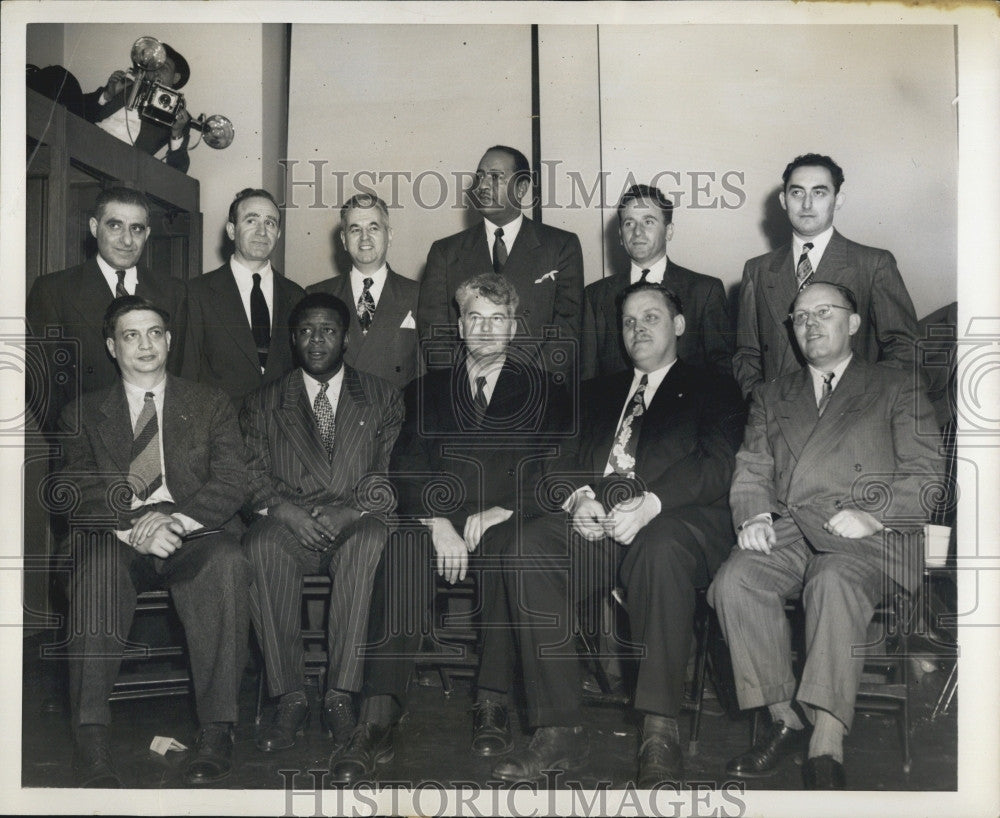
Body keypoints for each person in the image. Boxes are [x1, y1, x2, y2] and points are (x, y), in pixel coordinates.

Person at [476, 281, 745, 787]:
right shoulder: (596, 391)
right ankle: (558, 728)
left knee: (661, 550)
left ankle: (658, 728)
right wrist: (577, 498)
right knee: (525, 546)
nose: (637, 329)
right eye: (628, 321)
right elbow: (551, 463)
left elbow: (719, 464)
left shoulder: (715, 386)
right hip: (597, 525)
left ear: (679, 325)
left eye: (651, 317)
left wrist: (652, 503)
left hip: (672, 523)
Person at [329, 273, 570, 784]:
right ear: (459, 326)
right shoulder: (425, 390)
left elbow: (555, 469)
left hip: (506, 519)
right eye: (475, 318)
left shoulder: (546, 390)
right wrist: (436, 521)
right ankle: (378, 715)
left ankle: (492, 700)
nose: (485, 330)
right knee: (403, 547)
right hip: (438, 519)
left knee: (510, 548)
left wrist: (508, 510)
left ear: (513, 328)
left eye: (497, 319)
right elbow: (406, 465)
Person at [709, 281, 944, 789]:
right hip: (793, 530)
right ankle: (784, 717)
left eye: (824, 312)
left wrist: (873, 514)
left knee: (833, 581)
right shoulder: (771, 395)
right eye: (799, 317)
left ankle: (827, 741)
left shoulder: (895, 384)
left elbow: (927, 474)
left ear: (854, 323)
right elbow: (752, 468)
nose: (811, 324)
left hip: (868, 537)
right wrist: (753, 518)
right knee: (735, 581)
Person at [58, 295, 251, 787]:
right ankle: (91, 737)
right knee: (99, 569)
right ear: (111, 346)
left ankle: (217, 730)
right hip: (116, 538)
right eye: (130, 335)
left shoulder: (210, 404)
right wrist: (135, 525)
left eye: (154, 333)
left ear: (168, 339)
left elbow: (232, 481)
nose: (145, 344)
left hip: (192, 532)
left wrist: (175, 523)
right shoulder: (81, 413)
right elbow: (75, 492)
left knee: (227, 560)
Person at [240, 292, 404, 754]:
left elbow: (392, 474)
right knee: (259, 545)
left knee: (372, 540)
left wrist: (351, 511)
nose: (317, 340)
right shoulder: (263, 402)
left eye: (328, 331)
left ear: (345, 338)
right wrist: (285, 511)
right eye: (307, 331)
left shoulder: (381, 397)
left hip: (355, 518)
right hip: (291, 523)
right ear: (293, 339)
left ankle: (339, 694)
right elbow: (249, 474)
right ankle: (289, 694)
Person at [733, 153, 920, 398]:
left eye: (819, 193)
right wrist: (760, 401)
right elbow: (747, 355)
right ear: (783, 200)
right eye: (797, 193)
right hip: (778, 419)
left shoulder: (873, 264)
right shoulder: (756, 270)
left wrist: (865, 398)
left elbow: (905, 349)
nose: (807, 204)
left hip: (850, 416)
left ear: (838, 199)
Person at [26, 185, 187, 432]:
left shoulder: (173, 292)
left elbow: (179, 373)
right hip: (86, 446)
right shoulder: (54, 290)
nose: (126, 240)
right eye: (115, 226)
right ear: (94, 227)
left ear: (148, 233)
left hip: (158, 439)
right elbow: (41, 383)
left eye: (136, 228)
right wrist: (76, 439)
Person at [416, 145, 584, 374]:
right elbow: (434, 334)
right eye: (480, 176)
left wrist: (526, 386)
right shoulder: (445, 252)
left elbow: (567, 328)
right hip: (464, 395)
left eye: (495, 177)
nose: (483, 185)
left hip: (536, 391)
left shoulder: (561, 246)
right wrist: (462, 389)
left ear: (522, 188)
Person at [581, 183, 732, 379]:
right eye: (629, 223)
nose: (637, 232)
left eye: (648, 222)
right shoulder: (596, 296)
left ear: (669, 231)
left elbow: (722, 373)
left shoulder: (704, 291)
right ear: (620, 235)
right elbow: (587, 379)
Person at [182, 188, 306, 406]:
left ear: (278, 234)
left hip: (281, 431)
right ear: (231, 230)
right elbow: (187, 376)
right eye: (251, 221)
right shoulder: (197, 293)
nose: (261, 231)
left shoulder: (296, 296)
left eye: (270, 223)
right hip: (219, 431)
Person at [306, 193, 422, 389]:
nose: (364, 237)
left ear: (389, 234)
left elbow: (426, 376)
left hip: (397, 415)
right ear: (343, 239)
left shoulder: (418, 294)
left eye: (373, 227)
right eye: (355, 229)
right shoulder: (317, 295)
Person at [82, 42, 193, 173]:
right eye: (153, 66)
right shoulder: (125, 86)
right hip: (87, 140)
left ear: (176, 78)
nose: (156, 72)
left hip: (121, 162)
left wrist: (177, 133)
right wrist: (107, 95)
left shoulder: (178, 115)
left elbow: (178, 170)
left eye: (164, 68)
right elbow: (79, 109)